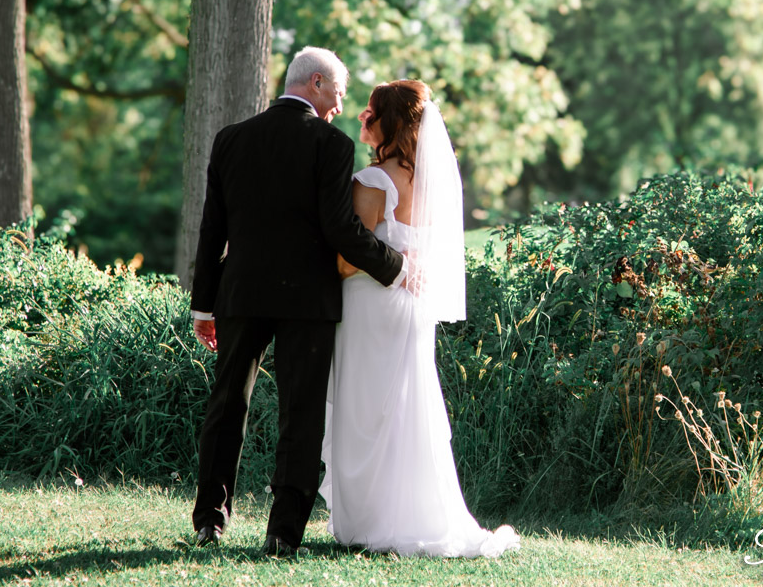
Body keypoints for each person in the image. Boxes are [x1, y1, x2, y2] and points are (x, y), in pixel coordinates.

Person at [188, 46, 408, 557]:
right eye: (337, 92)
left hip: (239, 293)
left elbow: (211, 229)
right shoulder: (331, 145)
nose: (339, 105)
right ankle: (284, 532)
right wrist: (395, 266)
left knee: (227, 405)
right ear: (315, 83)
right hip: (307, 299)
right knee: (301, 413)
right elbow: (340, 228)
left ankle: (209, 521)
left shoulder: (230, 139)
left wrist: (204, 306)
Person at [318, 79, 520, 558]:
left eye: (371, 112)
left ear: (391, 121)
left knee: (364, 410)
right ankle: (408, 515)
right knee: (406, 408)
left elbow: (349, 261)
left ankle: (368, 521)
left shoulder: (374, 181)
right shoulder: (428, 181)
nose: (362, 118)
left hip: (371, 306)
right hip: (411, 309)